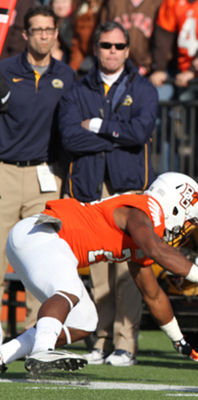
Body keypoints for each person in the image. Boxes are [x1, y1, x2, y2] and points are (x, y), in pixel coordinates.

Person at [0, 172, 198, 373]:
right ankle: (43, 352)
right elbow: (155, 249)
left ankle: (4, 355)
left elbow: (154, 296)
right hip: (43, 233)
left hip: (40, 243)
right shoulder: (140, 210)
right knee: (69, 289)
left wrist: (178, 340)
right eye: (187, 221)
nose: (184, 231)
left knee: (85, 321)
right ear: (176, 208)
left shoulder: (145, 233)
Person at [57, 21, 158, 366]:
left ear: (127, 50)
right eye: (105, 45)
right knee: (98, 266)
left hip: (128, 186)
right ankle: (100, 338)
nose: (111, 51)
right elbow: (70, 137)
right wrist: (117, 134)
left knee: (130, 268)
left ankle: (125, 342)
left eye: (118, 46)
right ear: (96, 48)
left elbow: (140, 133)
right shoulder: (78, 88)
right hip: (90, 185)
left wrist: (98, 126)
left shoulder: (143, 87)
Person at [0, 5, 77, 343]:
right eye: (38, 30)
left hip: (47, 177)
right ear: (25, 34)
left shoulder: (68, 76)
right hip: (4, 172)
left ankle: (35, 335)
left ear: (55, 34)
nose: (44, 35)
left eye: (49, 29)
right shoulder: (3, 71)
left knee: (38, 263)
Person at [149, 0, 198, 94]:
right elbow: (164, 33)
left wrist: (192, 70)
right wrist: (160, 68)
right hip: (181, 68)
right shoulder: (173, 2)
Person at [99, 0, 164, 76]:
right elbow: (102, 35)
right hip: (116, 67)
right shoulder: (113, 3)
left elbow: (164, 40)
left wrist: (156, 68)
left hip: (149, 70)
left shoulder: (159, 3)